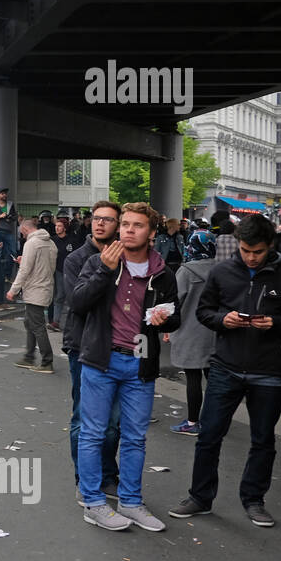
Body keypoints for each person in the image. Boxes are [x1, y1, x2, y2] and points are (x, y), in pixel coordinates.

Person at [168, 214, 281, 527]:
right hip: (225, 366)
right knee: (208, 436)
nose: (251, 257)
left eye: (257, 251)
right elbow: (204, 311)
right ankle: (200, 497)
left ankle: (254, 500)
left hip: (268, 370)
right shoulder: (222, 271)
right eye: (245, 250)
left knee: (262, 440)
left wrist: (277, 323)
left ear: (270, 246)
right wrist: (223, 319)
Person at [70, 202, 180, 532]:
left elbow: (176, 314)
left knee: (135, 438)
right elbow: (77, 304)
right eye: (126, 224)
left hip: (140, 362)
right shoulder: (98, 261)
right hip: (101, 359)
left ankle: (131, 502)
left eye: (137, 225)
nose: (128, 230)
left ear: (152, 233)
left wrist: (166, 318)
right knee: (93, 433)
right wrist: (104, 270)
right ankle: (93, 502)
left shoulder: (163, 272)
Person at [62, 200, 123, 503]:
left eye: (108, 220)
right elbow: (78, 303)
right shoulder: (77, 259)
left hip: (118, 346)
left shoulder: (128, 257)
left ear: (118, 225)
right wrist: (104, 271)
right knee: (83, 417)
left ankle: (108, 475)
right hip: (82, 345)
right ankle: (83, 477)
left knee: (113, 423)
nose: (100, 224)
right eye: (96, 219)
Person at [166, 235, 218, 436]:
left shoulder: (186, 271)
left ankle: (192, 421)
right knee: (213, 379)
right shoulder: (220, 269)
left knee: (193, 378)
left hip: (190, 331)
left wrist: (168, 327)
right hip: (214, 330)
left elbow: (175, 300)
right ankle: (213, 419)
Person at [8, 219, 56, 373]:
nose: (22, 234)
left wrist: (13, 290)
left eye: (22, 232)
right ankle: (28, 357)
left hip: (35, 289)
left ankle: (46, 361)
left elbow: (25, 270)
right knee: (30, 323)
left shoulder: (31, 243)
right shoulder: (50, 243)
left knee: (37, 325)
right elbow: (48, 266)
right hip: (46, 286)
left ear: (25, 229)